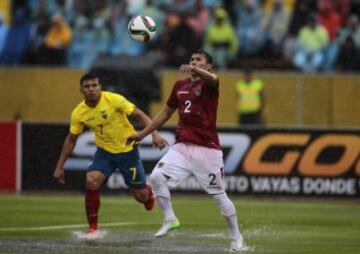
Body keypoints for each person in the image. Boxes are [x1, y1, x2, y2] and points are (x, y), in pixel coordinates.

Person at [127, 50, 245, 252]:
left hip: (207, 149)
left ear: (208, 66)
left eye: (199, 60)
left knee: (219, 196)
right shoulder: (180, 86)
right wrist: (143, 133)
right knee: (155, 177)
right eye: (192, 60)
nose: (193, 62)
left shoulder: (209, 84)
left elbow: (214, 79)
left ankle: (236, 236)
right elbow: (166, 112)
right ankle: (170, 218)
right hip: (182, 146)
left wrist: (196, 70)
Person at [53, 73, 167, 239]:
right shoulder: (79, 113)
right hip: (104, 153)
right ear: (81, 90)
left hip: (128, 151)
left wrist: (154, 134)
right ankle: (93, 230)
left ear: (100, 87)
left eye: (94, 86)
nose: (91, 89)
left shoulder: (114, 99)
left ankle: (148, 193)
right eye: (87, 87)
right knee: (92, 179)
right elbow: (71, 140)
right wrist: (59, 166)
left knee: (141, 197)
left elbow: (139, 114)